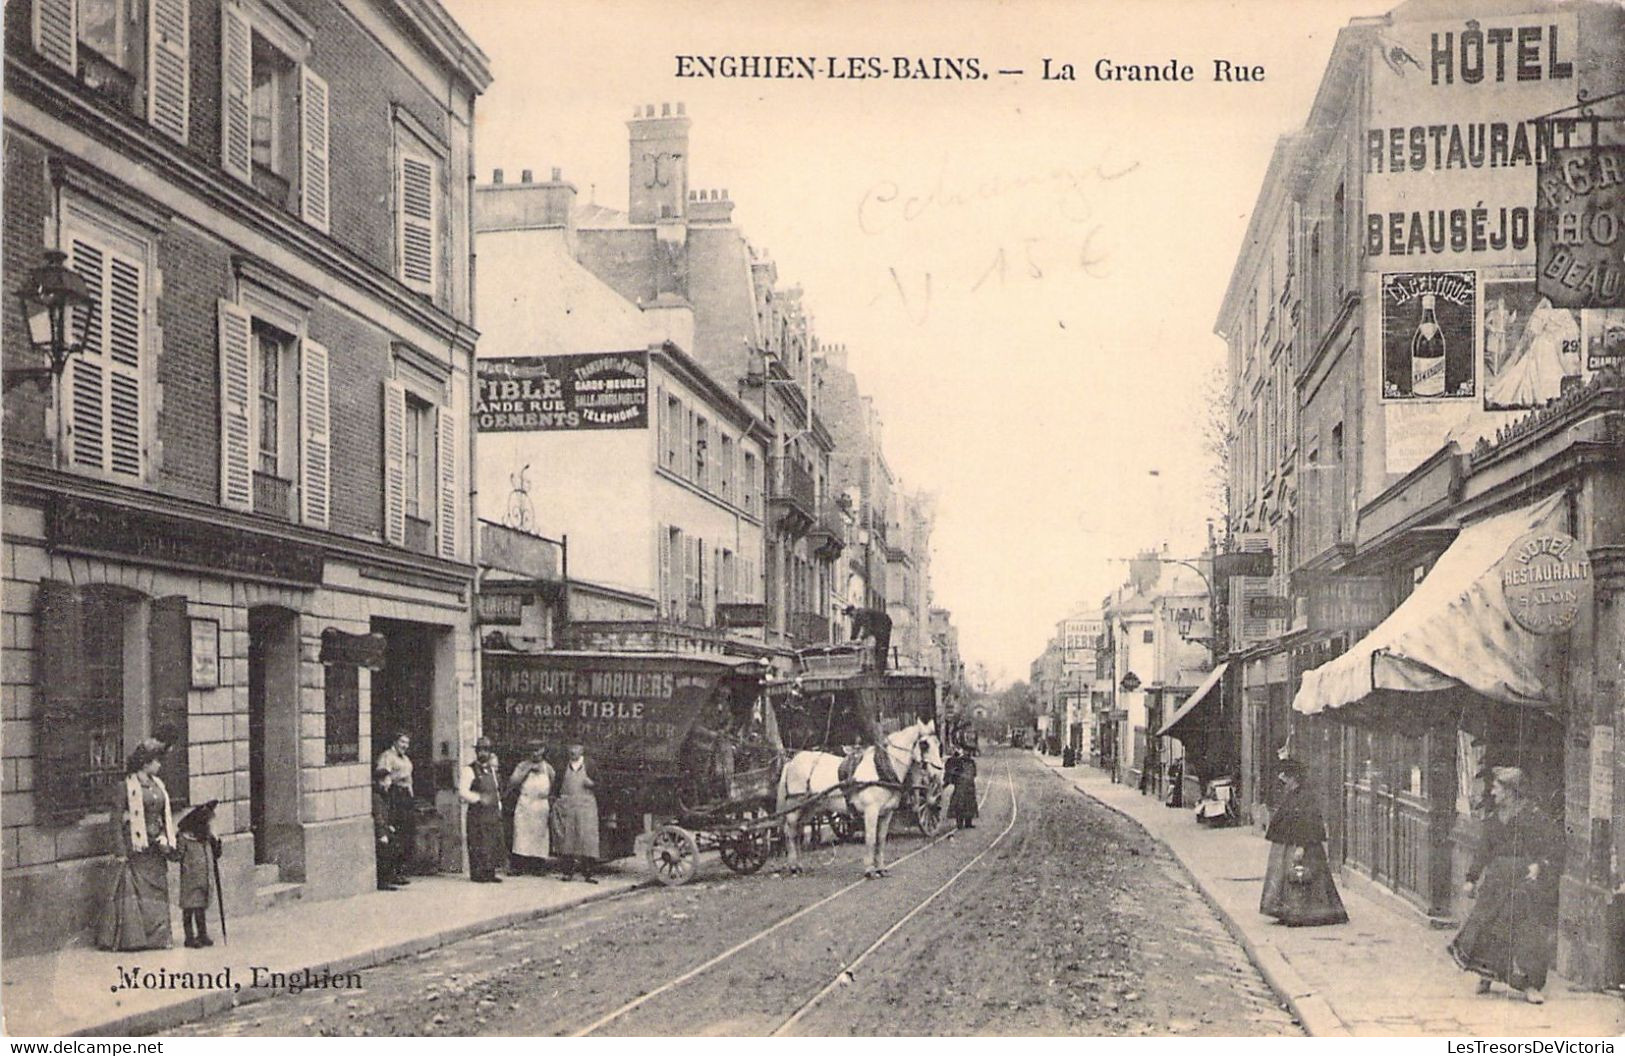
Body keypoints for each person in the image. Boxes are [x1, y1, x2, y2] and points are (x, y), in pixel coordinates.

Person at [1448, 766, 1562, 1004]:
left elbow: (1551, 847)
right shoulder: (1492, 820)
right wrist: (1471, 878)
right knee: (1486, 928)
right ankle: (1485, 975)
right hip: (1496, 881)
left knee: (1525, 932)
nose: (1492, 791)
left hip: (1523, 882)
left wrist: (1539, 865)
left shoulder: (1534, 817)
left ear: (1510, 791)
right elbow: (1483, 852)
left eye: (1497, 787)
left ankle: (1530, 985)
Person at [99, 740, 176, 950]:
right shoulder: (126, 786)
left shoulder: (158, 785)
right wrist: (120, 850)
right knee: (138, 893)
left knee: (157, 891)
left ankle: (158, 938)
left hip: (156, 847)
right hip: (136, 846)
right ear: (145, 763)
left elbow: (162, 814)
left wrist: (165, 837)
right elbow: (115, 820)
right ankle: (136, 940)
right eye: (156, 761)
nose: (159, 765)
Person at [1259, 759, 1348, 927]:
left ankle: (1305, 914)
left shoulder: (1305, 796)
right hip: (1287, 844)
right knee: (1285, 876)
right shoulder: (1291, 794)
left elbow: (1308, 823)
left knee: (1303, 875)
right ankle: (1286, 911)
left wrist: (1301, 846)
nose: (1282, 779)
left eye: (1285, 776)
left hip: (1302, 844)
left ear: (1293, 778)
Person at [175, 800, 222, 947]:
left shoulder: (207, 839)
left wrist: (217, 841)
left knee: (201, 907)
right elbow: (177, 855)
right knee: (189, 908)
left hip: (204, 878)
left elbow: (216, 854)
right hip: (190, 878)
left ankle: (202, 934)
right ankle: (189, 937)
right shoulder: (185, 838)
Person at [551, 743, 600, 882]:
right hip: (569, 806)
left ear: (582, 750)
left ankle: (588, 873)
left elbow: (602, 785)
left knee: (587, 839)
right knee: (567, 839)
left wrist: (593, 784)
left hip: (586, 806)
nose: (573, 751)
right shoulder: (563, 766)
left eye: (576, 748)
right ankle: (567, 872)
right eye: (571, 748)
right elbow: (556, 786)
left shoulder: (590, 765)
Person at [458, 737, 505, 883]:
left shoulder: (492, 770)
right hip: (477, 812)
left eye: (487, 750)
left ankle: (490, 872)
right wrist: (478, 798)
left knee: (491, 842)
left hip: (491, 812)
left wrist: (499, 806)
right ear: (476, 751)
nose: (484, 753)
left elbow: (496, 790)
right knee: (478, 841)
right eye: (481, 750)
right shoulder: (469, 770)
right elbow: (462, 791)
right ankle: (478, 874)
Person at [507, 740, 555, 875]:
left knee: (539, 835)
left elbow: (552, 784)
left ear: (543, 750)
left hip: (540, 804)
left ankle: (537, 866)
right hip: (525, 803)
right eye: (532, 750)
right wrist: (526, 771)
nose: (535, 753)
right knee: (521, 834)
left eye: (538, 749)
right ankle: (518, 866)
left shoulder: (548, 768)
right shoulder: (522, 766)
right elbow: (513, 782)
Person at [375, 732, 415, 885]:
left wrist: (411, 796)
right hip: (394, 795)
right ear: (395, 742)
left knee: (405, 833)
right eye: (402, 742)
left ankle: (400, 871)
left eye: (407, 743)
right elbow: (383, 776)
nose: (405, 745)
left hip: (405, 796)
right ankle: (391, 873)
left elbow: (409, 779)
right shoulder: (387, 756)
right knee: (394, 832)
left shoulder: (406, 759)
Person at [372, 767, 402, 890]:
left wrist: (389, 826)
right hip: (380, 831)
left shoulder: (385, 794)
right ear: (381, 781)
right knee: (385, 853)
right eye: (388, 779)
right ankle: (383, 881)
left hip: (385, 828)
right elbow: (378, 816)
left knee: (397, 845)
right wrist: (382, 834)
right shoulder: (377, 796)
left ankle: (392, 876)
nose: (390, 781)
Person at [945, 746, 979, 829]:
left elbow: (974, 773)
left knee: (968, 803)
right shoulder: (955, 760)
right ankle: (961, 823)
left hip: (968, 785)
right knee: (961, 804)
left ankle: (967, 822)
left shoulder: (970, 761)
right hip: (962, 785)